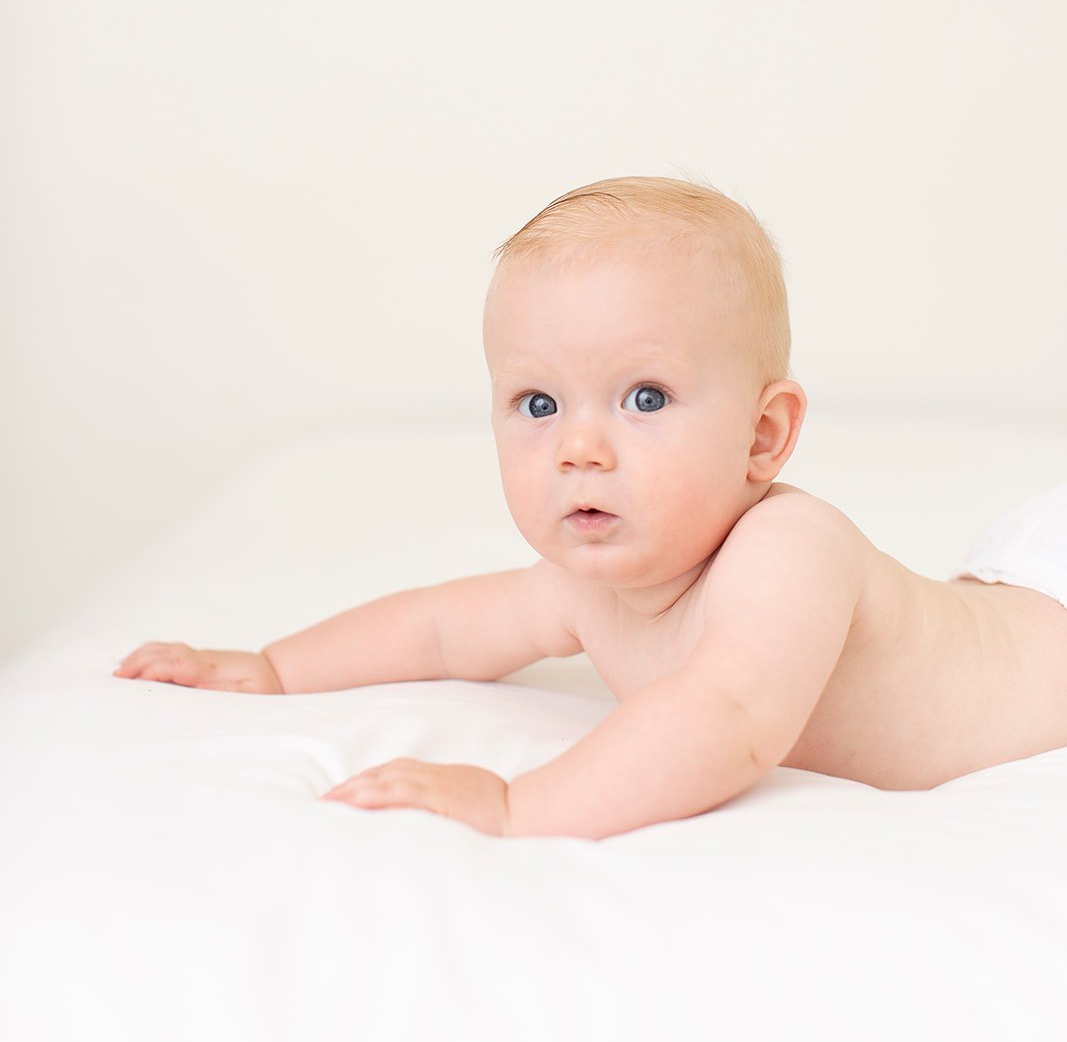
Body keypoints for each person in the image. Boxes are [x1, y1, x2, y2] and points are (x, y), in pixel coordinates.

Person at [113, 176, 1067, 840]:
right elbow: (439, 628)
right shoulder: (585, 586)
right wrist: (272, 668)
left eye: (643, 398)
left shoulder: (789, 550)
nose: (578, 447)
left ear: (762, 436)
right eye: (537, 404)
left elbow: (727, 718)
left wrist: (521, 805)